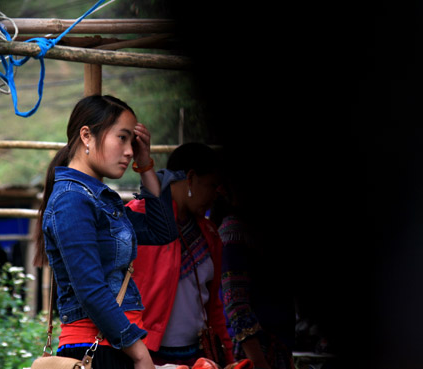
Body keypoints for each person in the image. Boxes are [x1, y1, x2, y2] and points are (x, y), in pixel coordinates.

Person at [33, 95, 179, 369]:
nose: (129, 151)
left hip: (116, 346)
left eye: (132, 143)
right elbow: (90, 289)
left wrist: (146, 164)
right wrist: (139, 353)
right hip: (96, 351)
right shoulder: (71, 201)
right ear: (86, 136)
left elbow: (163, 232)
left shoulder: (100, 201)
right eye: (122, 138)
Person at [126, 142, 235, 367]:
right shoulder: (138, 220)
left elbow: (214, 306)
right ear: (191, 177)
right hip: (145, 355)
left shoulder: (210, 235)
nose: (216, 195)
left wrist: (229, 358)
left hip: (198, 357)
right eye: (212, 185)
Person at [210, 175, 296, 369]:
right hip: (254, 352)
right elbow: (236, 304)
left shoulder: (253, 231)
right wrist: (258, 361)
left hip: (273, 347)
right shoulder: (235, 231)